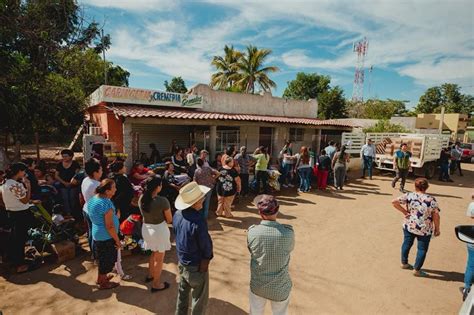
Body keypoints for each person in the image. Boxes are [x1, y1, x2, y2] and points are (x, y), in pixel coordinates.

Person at [248, 195, 294, 315]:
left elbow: (251, 250)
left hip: (258, 285)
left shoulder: (252, 232)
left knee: (255, 312)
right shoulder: (288, 233)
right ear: (277, 210)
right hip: (280, 287)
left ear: (260, 212)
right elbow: (289, 249)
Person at [173, 182, 213, 315]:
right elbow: (205, 244)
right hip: (196, 265)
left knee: (182, 293)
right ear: (195, 202)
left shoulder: (178, 214)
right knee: (199, 299)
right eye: (201, 198)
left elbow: (177, 234)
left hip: (182, 261)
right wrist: (206, 259)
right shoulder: (198, 220)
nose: (203, 199)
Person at [392, 178, 440, 277]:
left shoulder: (409, 195)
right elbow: (436, 216)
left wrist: (405, 212)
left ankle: (404, 263)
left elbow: (394, 202)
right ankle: (416, 269)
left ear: (415, 186)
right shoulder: (431, 200)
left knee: (407, 243)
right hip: (424, 229)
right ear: (426, 187)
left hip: (409, 225)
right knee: (422, 249)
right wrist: (437, 229)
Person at [139, 176, 172, 292]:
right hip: (159, 230)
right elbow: (169, 219)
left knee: (153, 253)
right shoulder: (162, 201)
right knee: (159, 258)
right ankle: (156, 284)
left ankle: (150, 275)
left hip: (146, 229)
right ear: (157, 187)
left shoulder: (142, 198)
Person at [0, 163, 35, 273]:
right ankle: (19, 264)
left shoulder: (4, 183)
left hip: (11, 212)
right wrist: (28, 187)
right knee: (20, 239)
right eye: (23, 171)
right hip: (20, 213)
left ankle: (13, 259)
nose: (24, 173)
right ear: (19, 171)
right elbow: (25, 200)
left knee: (14, 237)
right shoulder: (15, 185)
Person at [88, 179, 121, 289]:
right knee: (107, 260)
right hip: (106, 235)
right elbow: (109, 226)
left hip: (97, 233)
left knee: (102, 258)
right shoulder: (106, 203)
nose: (116, 190)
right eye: (114, 188)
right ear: (107, 191)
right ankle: (103, 283)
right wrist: (117, 240)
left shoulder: (93, 199)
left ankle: (101, 278)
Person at [81, 158, 103, 260]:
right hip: (94, 212)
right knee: (96, 235)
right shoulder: (97, 185)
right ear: (95, 172)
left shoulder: (86, 180)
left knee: (90, 232)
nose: (102, 172)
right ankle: (97, 255)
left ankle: (93, 254)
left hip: (86, 209)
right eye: (101, 170)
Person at [55, 149, 81, 217]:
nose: (64, 158)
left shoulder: (75, 164)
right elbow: (56, 175)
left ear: (71, 156)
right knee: (65, 198)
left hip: (73, 184)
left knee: (73, 198)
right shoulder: (60, 164)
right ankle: (68, 213)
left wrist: (71, 183)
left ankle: (74, 213)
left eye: (66, 156)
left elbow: (77, 174)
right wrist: (64, 182)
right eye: (63, 156)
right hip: (63, 184)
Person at [462, 193, 474, 301]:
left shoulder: (472, 205)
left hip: (473, 240)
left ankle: (467, 288)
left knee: (471, 265)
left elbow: (471, 216)